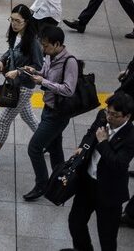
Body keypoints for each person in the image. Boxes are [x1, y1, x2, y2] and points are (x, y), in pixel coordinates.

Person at [63, 93, 134, 251]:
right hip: (88, 183)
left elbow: (118, 163)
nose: (109, 117)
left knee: (107, 237)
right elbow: (90, 132)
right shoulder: (103, 116)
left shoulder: (130, 136)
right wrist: (82, 146)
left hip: (110, 191)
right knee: (75, 223)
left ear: (127, 116)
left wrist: (103, 142)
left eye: (115, 115)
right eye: (108, 111)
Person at [22, 26, 78, 201]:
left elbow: (69, 89)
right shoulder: (50, 56)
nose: (43, 49)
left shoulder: (70, 62)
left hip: (58, 114)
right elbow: (45, 74)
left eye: (46, 46)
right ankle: (60, 180)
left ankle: (42, 184)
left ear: (57, 44)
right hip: (48, 108)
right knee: (55, 148)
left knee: (35, 148)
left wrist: (43, 81)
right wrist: (36, 73)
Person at [0, 5, 43, 165]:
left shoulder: (33, 42)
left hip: (23, 87)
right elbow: (10, 51)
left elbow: (38, 67)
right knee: (28, 116)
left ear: (26, 22)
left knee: (4, 121)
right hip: (14, 84)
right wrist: (1, 60)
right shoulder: (15, 34)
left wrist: (18, 72)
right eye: (12, 19)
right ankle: (47, 142)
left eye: (18, 21)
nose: (13, 24)